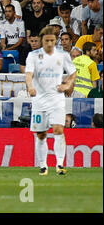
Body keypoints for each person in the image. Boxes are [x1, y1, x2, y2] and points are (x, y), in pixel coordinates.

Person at [25, 25, 77, 176]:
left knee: (58, 130)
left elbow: (73, 73)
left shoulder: (62, 55)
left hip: (56, 100)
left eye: (52, 40)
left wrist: (67, 84)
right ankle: (43, 165)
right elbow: (29, 74)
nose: (49, 43)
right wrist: (30, 87)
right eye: (47, 40)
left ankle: (60, 164)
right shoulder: (33, 56)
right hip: (39, 101)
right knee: (41, 134)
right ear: (42, 41)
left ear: (56, 41)